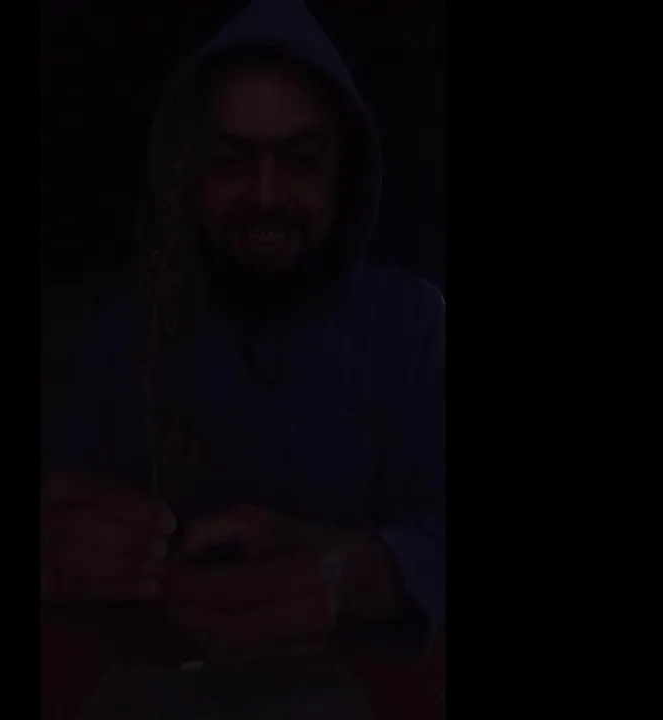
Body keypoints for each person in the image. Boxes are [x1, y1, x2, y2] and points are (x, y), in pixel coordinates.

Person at [40, 0, 445, 699]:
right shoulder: (126, 333)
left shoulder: (416, 327)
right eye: (230, 161)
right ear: (189, 174)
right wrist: (66, 542)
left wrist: (358, 571)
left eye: (301, 161)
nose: (264, 197)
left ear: (344, 174)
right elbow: (65, 510)